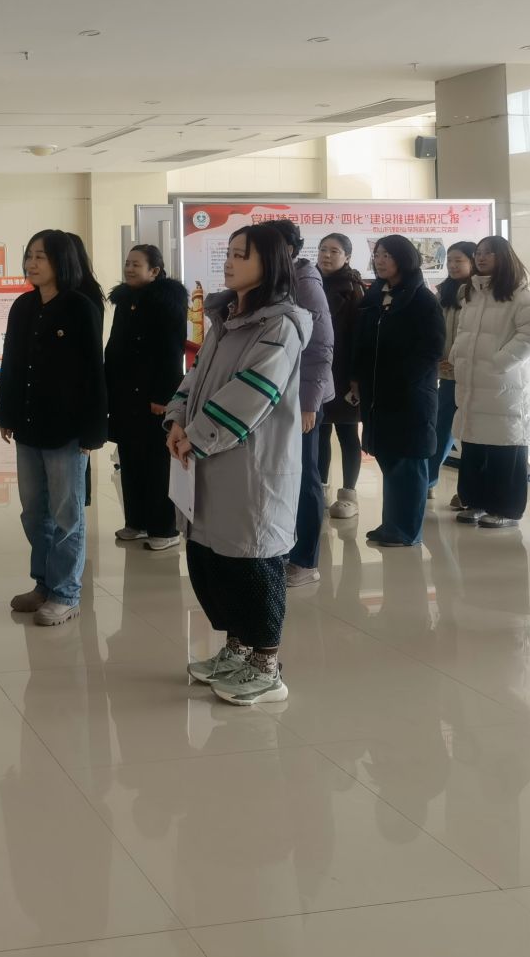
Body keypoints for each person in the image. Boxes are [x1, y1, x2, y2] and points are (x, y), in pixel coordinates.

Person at [167, 225, 311, 705]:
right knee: (216, 560)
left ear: (269, 263)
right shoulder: (227, 319)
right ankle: (237, 650)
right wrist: (176, 420)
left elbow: (253, 392)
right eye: (229, 253)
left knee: (252, 562)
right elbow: (195, 377)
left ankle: (267, 668)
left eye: (241, 255)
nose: (229, 262)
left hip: (252, 467)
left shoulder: (281, 326)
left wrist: (196, 435)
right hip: (210, 459)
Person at [0, 230, 108, 626]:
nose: (31, 263)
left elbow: (94, 374)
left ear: (62, 261)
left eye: (40, 256)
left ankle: (66, 593)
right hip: (28, 425)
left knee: (66, 514)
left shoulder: (80, 307)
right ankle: (43, 584)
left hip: (67, 431)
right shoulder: (23, 306)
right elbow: (11, 364)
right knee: (33, 513)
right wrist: (5, 414)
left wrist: (93, 432)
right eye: (29, 255)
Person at [251, 220, 333, 588]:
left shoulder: (305, 283)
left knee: (304, 477)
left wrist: (309, 405)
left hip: (301, 397)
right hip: (272, 394)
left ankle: (306, 561)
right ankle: (282, 549)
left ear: (289, 249)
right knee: (278, 474)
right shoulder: (268, 282)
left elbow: (320, 349)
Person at [448, 235, 530, 528]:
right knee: (474, 444)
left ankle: (507, 508)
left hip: (505, 384)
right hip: (472, 381)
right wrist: (456, 355)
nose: (481, 257)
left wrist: (499, 362)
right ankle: (475, 501)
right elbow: (464, 330)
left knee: (505, 446)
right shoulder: (471, 291)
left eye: (488, 253)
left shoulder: (520, 292)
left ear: (504, 256)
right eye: (478, 252)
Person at [353, 235, 444, 548]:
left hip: (409, 394)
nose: (380, 261)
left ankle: (407, 531)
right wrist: (357, 377)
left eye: (387, 255)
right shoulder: (375, 296)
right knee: (390, 459)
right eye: (377, 255)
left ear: (404, 259)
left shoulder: (422, 299)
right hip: (378, 394)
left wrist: (402, 379)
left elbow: (432, 349)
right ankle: (392, 524)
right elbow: (361, 341)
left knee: (408, 462)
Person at [104, 243, 187, 551]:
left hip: (154, 397)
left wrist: (164, 396)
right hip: (126, 395)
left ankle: (164, 529)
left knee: (156, 463)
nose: (128, 268)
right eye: (127, 263)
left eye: (135, 264)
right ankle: (136, 522)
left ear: (154, 271)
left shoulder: (167, 303)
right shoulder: (126, 301)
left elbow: (171, 352)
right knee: (130, 458)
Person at [316, 234, 368, 520]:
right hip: (317, 371)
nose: (326, 255)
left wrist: (356, 377)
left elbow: (360, 338)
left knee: (347, 433)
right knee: (320, 431)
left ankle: (349, 494)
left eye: (334, 251)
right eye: (323, 249)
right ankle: (321, 489)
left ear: (347, 257)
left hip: (344, 373)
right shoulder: (309, 283)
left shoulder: (354, 288)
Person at [434, 241, 477, 506]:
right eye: (449, 260)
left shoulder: (480, 294)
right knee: (441, 429)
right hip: (447, 376)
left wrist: (458, 361)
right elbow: (435, 330)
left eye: (458, 260)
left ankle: (469, 492)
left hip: (473, 377)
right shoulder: (443, 292)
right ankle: (427, 481)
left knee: (471, 435)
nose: (452, 265)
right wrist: (439, 359)